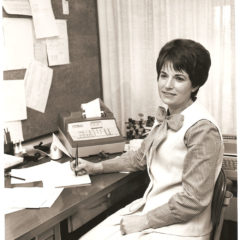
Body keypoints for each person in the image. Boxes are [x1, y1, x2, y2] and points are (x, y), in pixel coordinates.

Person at [71, 39, 223, 240]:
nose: (167, 85)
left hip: (182, 228)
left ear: (195, 85)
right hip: (155, 211)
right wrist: (95, 167)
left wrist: (143, 221)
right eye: (163, 75)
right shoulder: (168, 116)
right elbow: (139, 158)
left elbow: (193, 200)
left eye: (179, 78)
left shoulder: (202, 129)